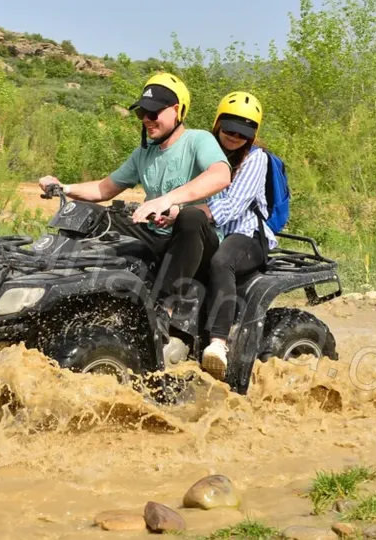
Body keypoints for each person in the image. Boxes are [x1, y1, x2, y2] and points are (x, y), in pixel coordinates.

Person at [38, 73, 231, 341]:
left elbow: (221, 175)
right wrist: (64, 187)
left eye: (153, 112)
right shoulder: (144, 152)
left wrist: (168, 199)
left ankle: (164, 308)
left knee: (190, 217)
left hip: (196, 243)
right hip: (156, 233)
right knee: (94, 216)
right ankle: (59, 284)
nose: (146, 119)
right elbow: (104, 189)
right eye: (142, 112)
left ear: (176, 110)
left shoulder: (198, 140)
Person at [198, 91, 279, 382]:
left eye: (242, 133)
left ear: (252, 134)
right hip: (212, 230)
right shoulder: (204, 150)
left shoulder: (256, 159)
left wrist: (189, 210)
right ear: (218, 123)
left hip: (246, 234)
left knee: (222, 262)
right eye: (229, 130)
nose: (234, 137)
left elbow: (233, 206)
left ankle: (218, 343)